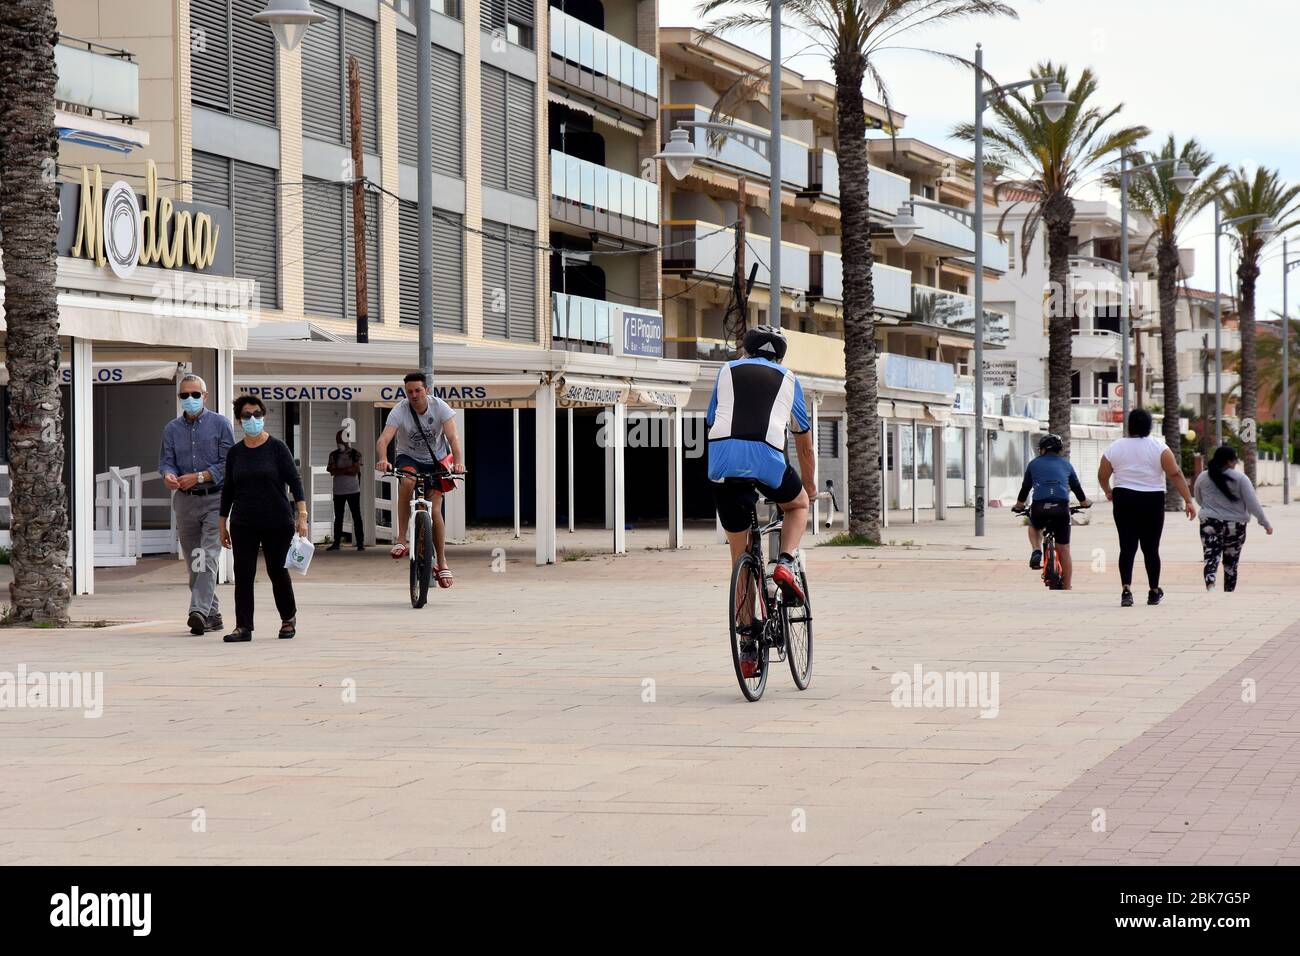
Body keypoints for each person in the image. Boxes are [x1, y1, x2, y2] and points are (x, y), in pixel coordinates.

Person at [707, 326, 816, 677]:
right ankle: (784, 562)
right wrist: (809, 488)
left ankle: (748, 646)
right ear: (780, 357)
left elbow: (712, 420)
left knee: (740, 555)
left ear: (745, 350)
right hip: (767, 459)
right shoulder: (789, 379)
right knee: (797, 505)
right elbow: (804, 443)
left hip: (723, 463)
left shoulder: (725, 371)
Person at [218, 394, 308, 643]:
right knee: (243, 573)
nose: (252, 419)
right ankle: (243, 626)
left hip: (276, 519)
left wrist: (302, 515)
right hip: (243, 521)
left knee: (277, 571)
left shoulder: (277, 448)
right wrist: (221, 523)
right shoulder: (235, 453)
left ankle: (288, 618)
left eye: (257, 414)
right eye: (246, 415)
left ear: (264, 416)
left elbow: (295, 481)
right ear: (239, 420)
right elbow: (228, 489)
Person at [159, 373, 234, 636]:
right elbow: (166, 461)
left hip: (215, 499)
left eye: (194, 394)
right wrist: (168, 475)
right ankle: (212, 615)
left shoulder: (221, 424)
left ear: (205, 395)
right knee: (194, 559)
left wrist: (200, 476)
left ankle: (198, 611)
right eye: (184, 395)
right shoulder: (171, 429)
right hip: (185, 502)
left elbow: (228, 464)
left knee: (208, 555)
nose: (189, 399)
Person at [375, 371, 465, 588]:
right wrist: (383, 459)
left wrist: (459, 462)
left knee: (435, 511)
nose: (414, 395)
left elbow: (453, 437)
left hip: (436, 460)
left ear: (427, 390)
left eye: (417, 390)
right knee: (407, 481)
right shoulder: (400, 410)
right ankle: (401, 539)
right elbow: (383, 439)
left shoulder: (440, 407)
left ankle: (442, 561)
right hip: (409, 457)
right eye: (409, 392)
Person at [1098, 408, 1196, 607]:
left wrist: (1108, 490)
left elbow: (1102, 474)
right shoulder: (1159, 447)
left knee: (1127, 547)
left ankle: (1126, 590)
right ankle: (1153, 591)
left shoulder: (1115, 447)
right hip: (1152, 500)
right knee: (1151, 548)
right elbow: (1175, 474)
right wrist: (1188, 500)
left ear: (1130, 425)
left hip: (1124, 497)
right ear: (1150, 426)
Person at [1013, 434, 1091, 589]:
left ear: (1042, 449)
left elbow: (1025, 487)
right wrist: (1084, 502)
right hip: (1061, 508)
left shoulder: (1033, 464)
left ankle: (1036, 550)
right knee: (1064, 549)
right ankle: (1067, 587)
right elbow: (1076, 487)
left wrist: (1019, 505)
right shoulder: (1066, 465)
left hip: (1040, 507)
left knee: (1034, 526)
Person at [1194, 444, 1273, 592]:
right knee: (1231, 561)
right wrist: (1265, 523)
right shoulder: (1241, 478)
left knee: (1211, 555)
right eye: (1235, 461)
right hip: (1235, 525)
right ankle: (1228, 592)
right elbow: (1253, 504)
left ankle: (1211, 586)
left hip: (1209, 522)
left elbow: (1199, 499)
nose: (1236, 464)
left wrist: (1211, 509)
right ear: (1230, 462)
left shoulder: (1203, 477)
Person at [326, 429, 364, 551]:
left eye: (340, 439)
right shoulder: (333, 455)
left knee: (356, 516)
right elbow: (331, 470)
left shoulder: (355, 454)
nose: (338, 442)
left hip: (353, 490)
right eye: (337, 439)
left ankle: (360, 543)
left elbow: (356, 470)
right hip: (338, 490)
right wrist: (347, 470)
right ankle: (336, 542)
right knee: (338, 517)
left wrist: (340, 470)